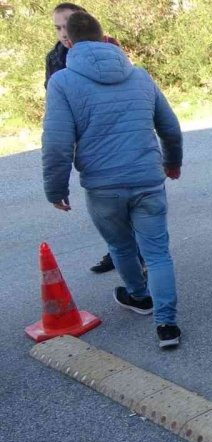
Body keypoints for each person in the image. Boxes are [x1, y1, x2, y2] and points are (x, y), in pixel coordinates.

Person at [42, 11, 184, 349]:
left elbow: (58, 143)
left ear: (69, 41)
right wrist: (172, 162)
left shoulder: (62, 82)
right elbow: (170, 127)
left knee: (121, 246)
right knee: (157, 254)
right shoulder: (139, 76)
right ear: (103, 36)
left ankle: (139, 296)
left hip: (103, 186)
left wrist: (55, 189)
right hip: (147, 179)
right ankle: (167, 325)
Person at [45, 2, 134, 274]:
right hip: (87, 142)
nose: (63, 32)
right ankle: (120, 250)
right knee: (106, 206)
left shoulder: (108, 48)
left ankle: (131, 256)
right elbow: (54, 104)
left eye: (67, 25)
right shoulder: (55, 57)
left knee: (125, 200)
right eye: (57, 27)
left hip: (116, 136)